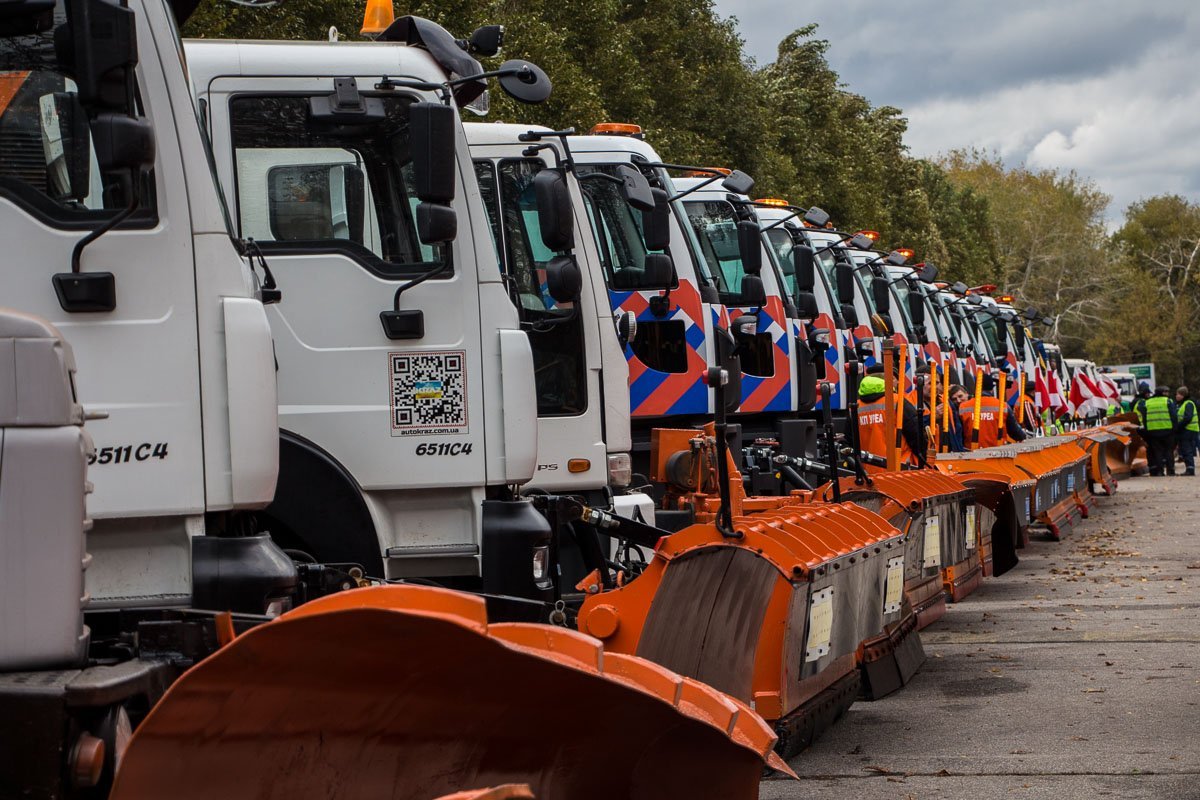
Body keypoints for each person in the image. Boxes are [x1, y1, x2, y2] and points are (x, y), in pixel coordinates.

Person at [856, 374, 924, 466]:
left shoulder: (856, 407)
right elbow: (916, 433)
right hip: (899, 467)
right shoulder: (896, 400)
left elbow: (851, 441)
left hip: (868, 469)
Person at [960, 372, 1026, 448]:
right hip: (997, 453)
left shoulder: (963, 407)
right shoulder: (1003, 406)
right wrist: (1023, 435)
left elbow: (959, 434)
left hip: (971, 454)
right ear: (991, 389)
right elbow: (1016, 433)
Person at [1135, 385, 1178, 476]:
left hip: (1153, 431)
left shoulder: (1147, 402)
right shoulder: (1168, 401)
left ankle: (1160, 471)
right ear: (1162, 393)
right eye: (1166, 392)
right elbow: (1174, 416)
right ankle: (1171, 471)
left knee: (1157, 452)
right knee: (1168, 451)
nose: (1168, 394)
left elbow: (1144, 417)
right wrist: (1175, 429)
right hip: (1168, 430)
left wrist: (1147, 429)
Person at [1175, 386, 1197, 476]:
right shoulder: (1184, 403)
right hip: (1188, 429)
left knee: (1187, 449)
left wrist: (1178, 426)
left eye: (1178, 394)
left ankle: (1190, 469)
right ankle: (1189, 468)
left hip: (1188, 429)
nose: (1176, 396)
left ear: (1182, 395)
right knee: (1186, 449)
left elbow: (1188, 417)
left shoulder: (1188, 403)